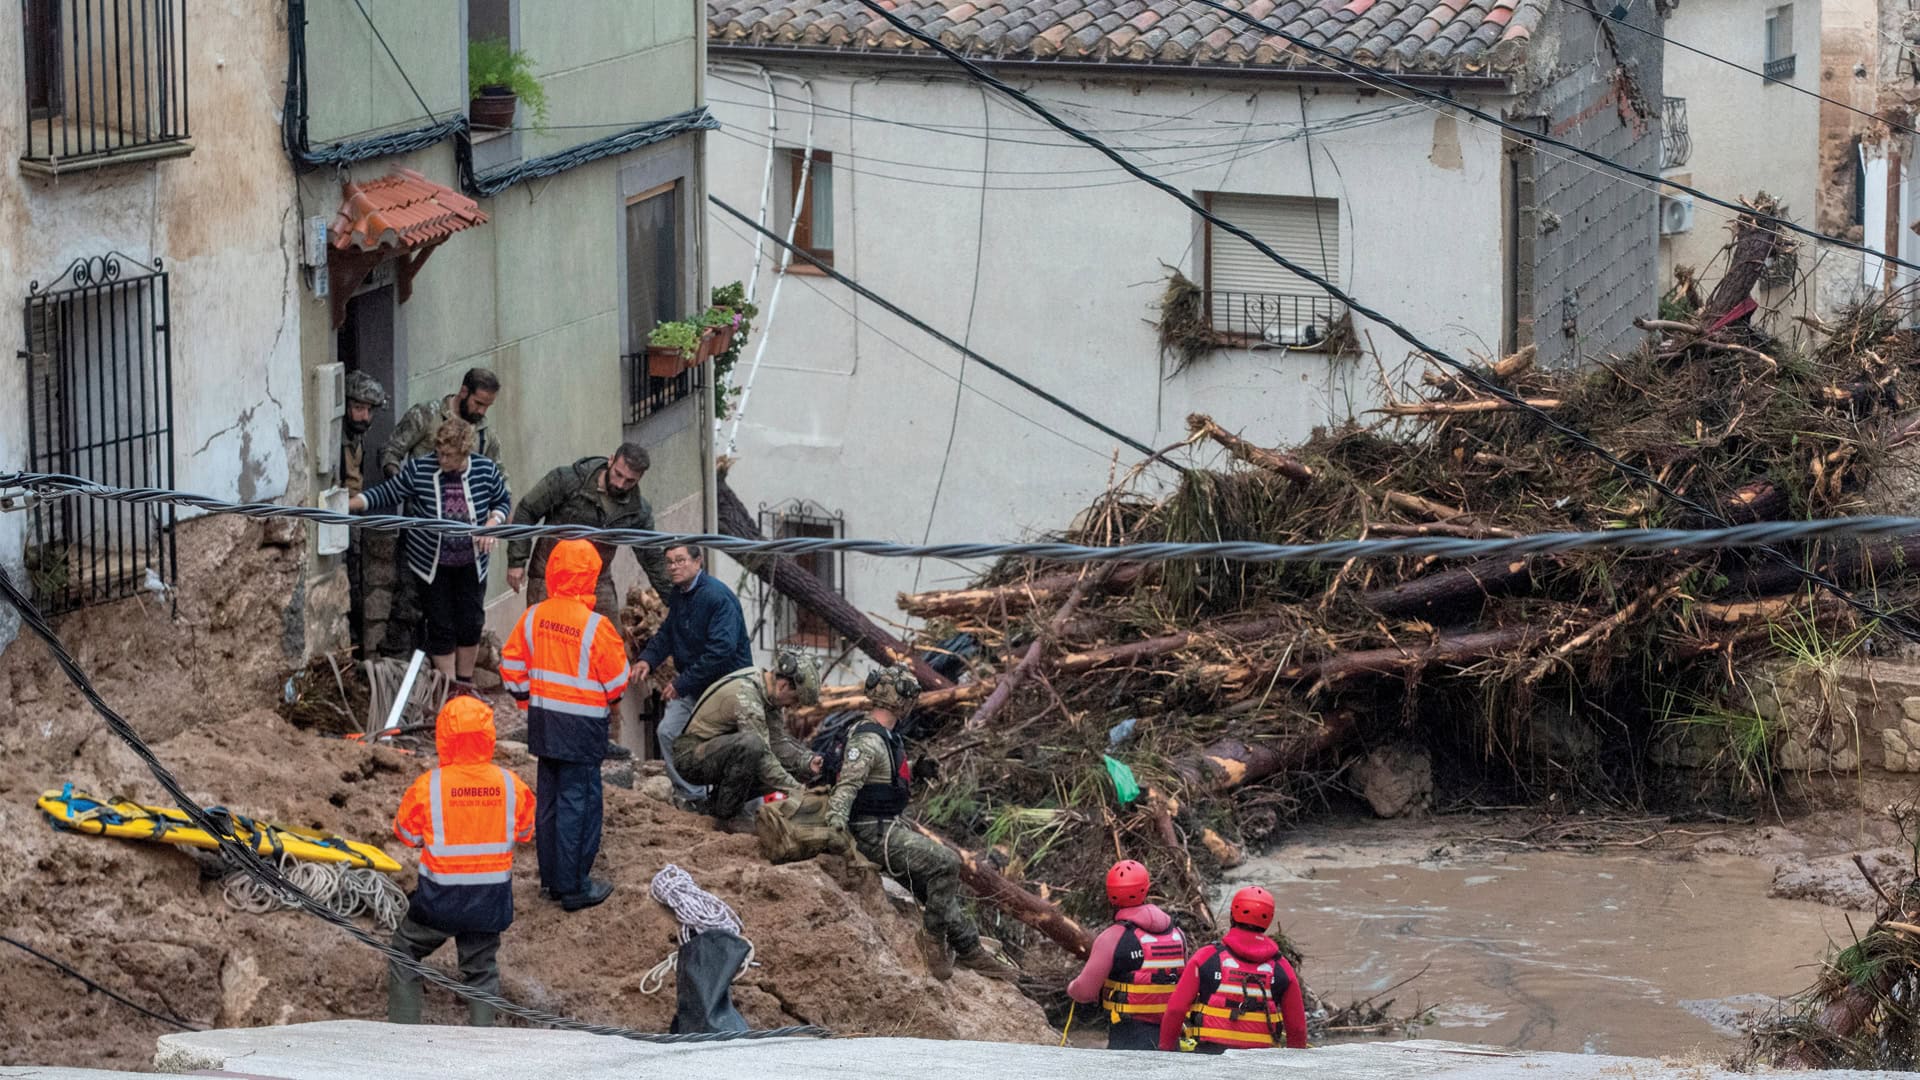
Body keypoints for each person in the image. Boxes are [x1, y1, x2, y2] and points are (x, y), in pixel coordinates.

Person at [824, 663, 1018, 982]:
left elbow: (881, 777)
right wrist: (836, 828)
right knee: (945, 863)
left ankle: (969, 948)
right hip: (872, 832)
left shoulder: (884, 736)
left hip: (889, 824)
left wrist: (915, 770)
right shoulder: (868, 741)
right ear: (898, 698)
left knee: (935, 887)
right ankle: (931, 942)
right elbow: (847, 787)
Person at [506, 444, 673, 760]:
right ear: (611, 461)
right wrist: (516, 559)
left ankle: (608, 734)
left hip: (597, 581)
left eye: (629, 481)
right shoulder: (568, 481)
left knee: (610, 651)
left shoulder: (637, 510)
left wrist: (675, 603)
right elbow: (527, 509)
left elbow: (651, 556)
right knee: (547, 650)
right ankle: (540, 727)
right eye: (619, 475)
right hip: (548, 577)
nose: (621, 484)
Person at [387, 694, 535, 1027]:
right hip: (490, 900)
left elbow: (406, 835)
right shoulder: (511, 784)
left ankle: (401, 1038)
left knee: (404, 952)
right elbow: (525, 831)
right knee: (481, 971)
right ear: (489, 737)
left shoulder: (429, 786)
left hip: (439, 899)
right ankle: (483, 1046)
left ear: (444, 737)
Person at [499, 538, 629, 912]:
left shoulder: (535, 616)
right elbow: (618, 682)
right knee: (580, 804)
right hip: (583, 728)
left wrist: (527, 699)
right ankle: (573, 887)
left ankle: (551, 881)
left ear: (553, 571)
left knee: (550, 802)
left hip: (543, 723)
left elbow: (510, 666)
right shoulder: (595, 626)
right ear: (591, 576)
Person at [351, 417, 511, 689]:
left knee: (470, 622)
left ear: (464, 453)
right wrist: (351, 504)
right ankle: (448, 686)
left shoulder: (485, 470)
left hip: (472, 563)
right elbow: (389, 492)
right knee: (441, 624)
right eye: (439, 453)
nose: (442, 459)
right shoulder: (420, 469)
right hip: (433, 564)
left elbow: (502, 501)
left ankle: (465, 683)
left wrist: (492, 523)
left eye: (448, 455)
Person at [630, 545, 751, 804]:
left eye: (680, 560)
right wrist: (647, 660)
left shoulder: (717, 598)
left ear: (698, 562)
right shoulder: (680, 594)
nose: (674, 567)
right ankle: (692, 797)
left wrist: (682, 682)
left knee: (738, 745)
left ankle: (747, 807)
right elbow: (667, 634)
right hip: (695, 686)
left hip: (726, 688)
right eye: (670, 562)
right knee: (668, 732)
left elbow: (722, 650)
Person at [673, 648, 822, 832]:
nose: (792, 706)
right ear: (783, 686)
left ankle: (716, 805)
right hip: (690, 756)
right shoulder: (747, 695)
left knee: (799, 766)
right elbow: (763, 755)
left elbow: (777, 742)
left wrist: (807, 761)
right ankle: (728, 814)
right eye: (794, 699)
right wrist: (796, 790)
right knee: (752, 746)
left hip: (717, 752)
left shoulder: (768, 695)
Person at [1158, 886, 1308, 1053]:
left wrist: (1166, 1052)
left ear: (1232, 916)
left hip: (1208, 1059)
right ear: (1268, 920)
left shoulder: (1206, 957)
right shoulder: (1282, 968)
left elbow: (1175, 1010)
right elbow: (1298, 1028)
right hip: (1262, 1064)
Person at [1067, 860, 1189, 1050]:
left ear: (1110, 895)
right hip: (1171, 1037)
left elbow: (1084, 992)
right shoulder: (1178, 935)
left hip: (1128, 1037)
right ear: (1146, 888)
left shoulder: (1111, 937)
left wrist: (1072, 988)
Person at [381, 367, 503, 477]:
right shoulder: (426, 414)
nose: (482, 411)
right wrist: (401, 484)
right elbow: (390, 452)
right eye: (478, 403)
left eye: (487, 406)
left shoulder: (486, 433)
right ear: (464, 392)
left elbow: (499, 476)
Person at [340, 370, 387, 657]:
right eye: (358, 409)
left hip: (354, 515)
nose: (364, 417)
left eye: (369, 410)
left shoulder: (358, 435)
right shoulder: (338, 438)